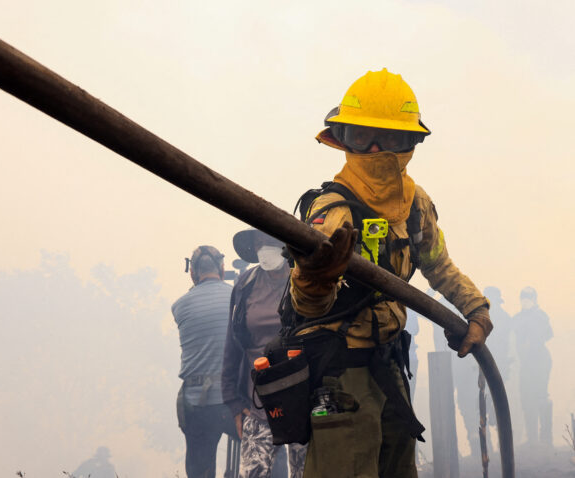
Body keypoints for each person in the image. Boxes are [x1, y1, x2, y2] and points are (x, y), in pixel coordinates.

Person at [284, 68, 493, 478]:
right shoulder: (330, 211)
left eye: (391, 139)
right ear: (343, 138)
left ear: (411, 142)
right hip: (339, 372)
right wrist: (314, 276)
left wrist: (476, 309)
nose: (377, 150)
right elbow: (308, 306)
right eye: (365, 138)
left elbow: (438, 264)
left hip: (389, 365)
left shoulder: (416, 205)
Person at [222, 229, 307, 478]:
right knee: (253, 473)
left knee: (307, 473)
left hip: (303, 400)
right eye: (258, 244)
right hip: (259, 402)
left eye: (268, 242)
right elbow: (233, 343)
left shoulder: (304, 281)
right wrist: (234, 402)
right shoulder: (245, 285)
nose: (263, 249)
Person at [173, 245, 236, 478]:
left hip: (195, 402)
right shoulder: (236, 295)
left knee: (200, 469)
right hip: (231, 401)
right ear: (222, 267)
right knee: (266, 445)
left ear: (193, 272)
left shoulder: (179, 305)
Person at [513, 286, 553, 447]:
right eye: (523, 297)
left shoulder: (541, 316)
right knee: (526, 398)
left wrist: (532, 341)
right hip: (526, 363)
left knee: (541, 396)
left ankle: (545, 438)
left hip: (540, 361)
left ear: (535, 299)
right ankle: (532, 438)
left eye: (528, 297)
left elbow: (548, 334)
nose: (525, 300)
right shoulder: (517, 318)